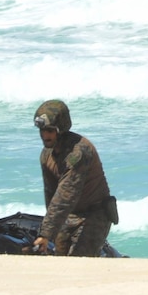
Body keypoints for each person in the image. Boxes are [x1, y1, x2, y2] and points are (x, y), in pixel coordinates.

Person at [31, 99, 116, 257]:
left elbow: (66, 195)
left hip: (94, 214)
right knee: (59, 260)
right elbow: (51, 195)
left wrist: (45, 234)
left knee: (79, 263)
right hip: (68, 216)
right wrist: (49, 231)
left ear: (60, 129)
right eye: (42, 130)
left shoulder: (79, 153)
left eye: (50, 130)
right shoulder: (46, 155)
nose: (45, 135)